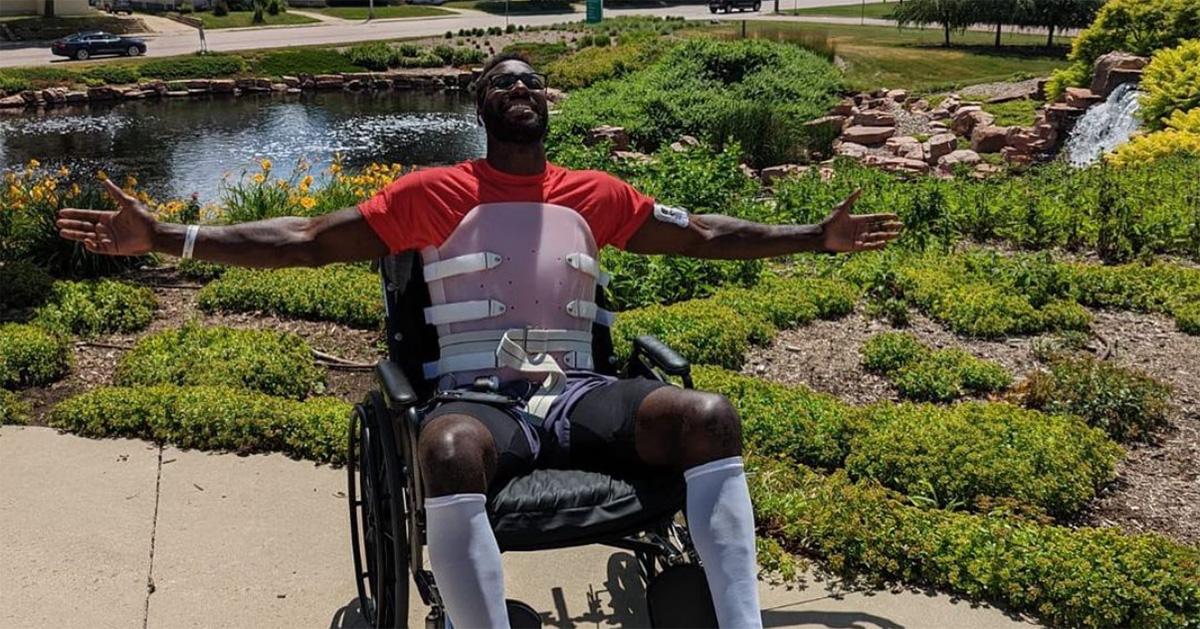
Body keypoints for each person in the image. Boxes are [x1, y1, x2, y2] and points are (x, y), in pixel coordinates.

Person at [56, 52, 901, 628]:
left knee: (707, 413)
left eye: (532, 80)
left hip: (575, 387)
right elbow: (308, 237)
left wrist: (811, 237)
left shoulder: (595, 192)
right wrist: (168, 238)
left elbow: (707, 234)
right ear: (484, 109)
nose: (522, 88)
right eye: (504, 82)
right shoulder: (432, 192)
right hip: (474, 390)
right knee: (449, 446)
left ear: (547, 105)